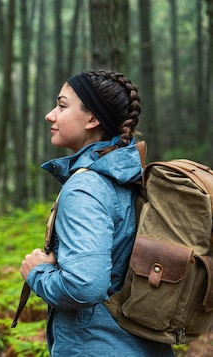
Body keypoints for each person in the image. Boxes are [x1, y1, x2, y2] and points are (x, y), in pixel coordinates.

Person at [19, 70, 174, 356]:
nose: (50, 115)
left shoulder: (86, 186)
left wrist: (37, 273)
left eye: (62, 106)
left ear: (92, 119)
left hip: (98, 346)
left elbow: (85, 286)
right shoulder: (127, 177)